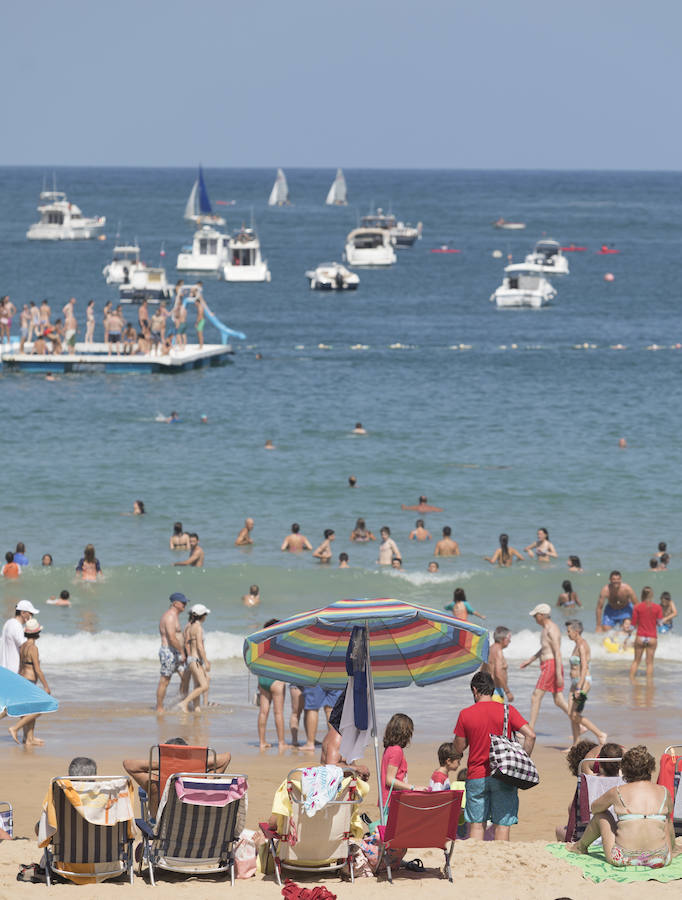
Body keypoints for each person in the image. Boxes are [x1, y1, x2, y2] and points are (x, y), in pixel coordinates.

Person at [453, 671, 535, 841]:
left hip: (476, 775)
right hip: (503, 775)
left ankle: (478, 860)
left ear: (475, 690)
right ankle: (501, 859)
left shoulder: (465, 714)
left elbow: (459, 747)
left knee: (476, 824)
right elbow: (531, 735)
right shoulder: (508, 710)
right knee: (502, 824)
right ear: (492, 690)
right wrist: (523, 757)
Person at [569, 745, 674, 869]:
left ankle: (581, 847)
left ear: (625, 769)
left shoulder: (617, 791)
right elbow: (668, 825)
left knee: (602, 815)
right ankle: (674, 849)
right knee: (665, 818)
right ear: (651, 768)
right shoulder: (664, 791)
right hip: (661, 858)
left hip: (624, 858)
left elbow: (594, 808)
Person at [123, 736, 231, 811]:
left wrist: (167, 764)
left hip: (163, 830)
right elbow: (225, 758)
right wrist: (192, 764)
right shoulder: (202, 782)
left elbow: (129, 764)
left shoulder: (156, 784)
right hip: (194, 824)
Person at [520, 603, 570, 730]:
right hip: (549, 665)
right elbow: (545, 648)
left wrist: (559, 674)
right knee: (558, 700)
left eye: (535, 616)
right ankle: (580, 725)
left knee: (536, 696)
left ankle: (530, 728)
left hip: (551, 665)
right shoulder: (545, 629)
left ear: (541, 615)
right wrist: (530, 660)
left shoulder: (551, 629)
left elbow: (557, 652)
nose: (534, 618)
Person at [565, 620, 607, 745]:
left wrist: (579, 687)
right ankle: (575, 744)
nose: (567, 634)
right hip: (575, 683)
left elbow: (584, 667)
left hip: (582, 684)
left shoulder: (582, 645)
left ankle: (600, 734)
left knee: (575, 715)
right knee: (570, 713)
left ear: (576, 631)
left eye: (569, 631)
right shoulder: (576, 644)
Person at [9, 619, 50, 747]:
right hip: (29, 681)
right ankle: (15, 728)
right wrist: (46, 686)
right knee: (39, 710)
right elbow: (37, 669)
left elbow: (21, 665)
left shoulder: (23, 646)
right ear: (37, 632)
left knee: (29, 711)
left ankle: (28, 739)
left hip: (21, 679)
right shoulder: (33, 648)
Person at [256, 619, 289, 751]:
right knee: (278, 713)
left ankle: (262, 742)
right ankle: (281, 743)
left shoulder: (261, 643)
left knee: (263, 712)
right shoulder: (280, 643)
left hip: (262, 680)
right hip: (276, 680)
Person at [381, 713, 425, 808]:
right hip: (392, 800)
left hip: (387, 799)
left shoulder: (389, 748)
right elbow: (389, 780)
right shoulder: (397, 751)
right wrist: (413, 788)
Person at [156, 593, 188, 713]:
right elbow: (171, 637)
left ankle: (180, 703)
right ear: (175, 603)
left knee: (185, 677)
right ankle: (159, 708)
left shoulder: (174, 615)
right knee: (165, 680)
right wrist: (181, 652)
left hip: (176, 652)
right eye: (183, 602)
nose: (185, 604)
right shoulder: (169, 616)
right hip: (169, 652)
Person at [178, 604, 211, 713]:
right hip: (195, 661)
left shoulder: (191, 627)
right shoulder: (198, 628)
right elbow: (200, 647)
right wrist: (206, 662)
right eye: (205, 614)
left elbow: (188, 643)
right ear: (202, 616)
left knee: (197, 686)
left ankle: (197, 709)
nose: (206, 617)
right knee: (204, 686)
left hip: (191, 660)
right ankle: (184, 703)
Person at [630, 587, 663, 681]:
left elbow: (633, 625)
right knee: (649, 663)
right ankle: (649, 683)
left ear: (641, 595)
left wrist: (628, 633)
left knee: (636, 661)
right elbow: (660, 623)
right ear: (652, 595)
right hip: (652, 637)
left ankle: (631, 680)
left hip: (640, 636)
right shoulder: (658, 607)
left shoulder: (637, 607)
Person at [301, 685, 343, 752]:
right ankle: (333, 741)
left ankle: (310, 743)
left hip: (315, 677)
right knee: (330, 708)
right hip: (334, 676)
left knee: (312, 708)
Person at [1, 600, 39, 672]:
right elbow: (25, 648)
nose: (31, 617)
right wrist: (32, 633)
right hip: (13, 670)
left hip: (5, 668)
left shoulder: (9, 622)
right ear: (23, 613)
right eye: (30, 614)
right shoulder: (16, 626)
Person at [481, 626, 513, 702]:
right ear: (503, 639)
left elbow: (482, 670)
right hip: (496, 692)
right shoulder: (498, 652)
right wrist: (507, 692)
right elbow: (498, 673)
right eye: (509, 638)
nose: (510, 641)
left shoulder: (489, 649)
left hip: (487, 691)